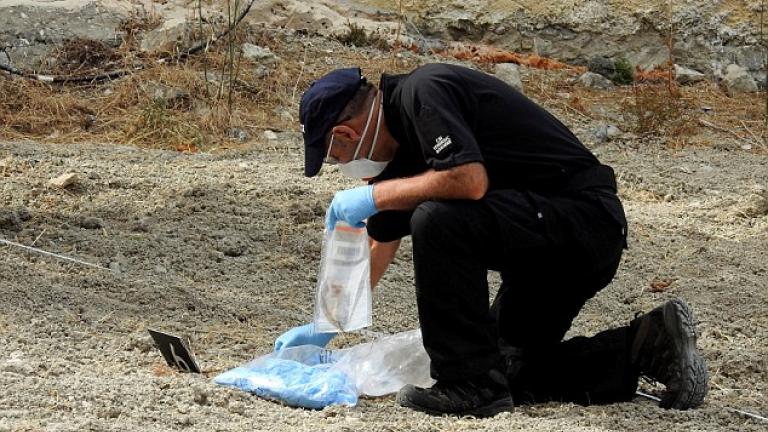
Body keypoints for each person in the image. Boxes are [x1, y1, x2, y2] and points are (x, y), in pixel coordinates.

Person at [274, 64, 708, 417]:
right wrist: (324, 328)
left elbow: (469, 180)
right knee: (506, 370)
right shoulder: (398, 158)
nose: (341, 164)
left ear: (346, 134)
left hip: (582, 221)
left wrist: (372, 196)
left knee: (437, 219)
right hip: (539, 250)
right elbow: (377, 247)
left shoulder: (424, 92)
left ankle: (467, 384)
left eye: (333, 156)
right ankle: (643, 345)